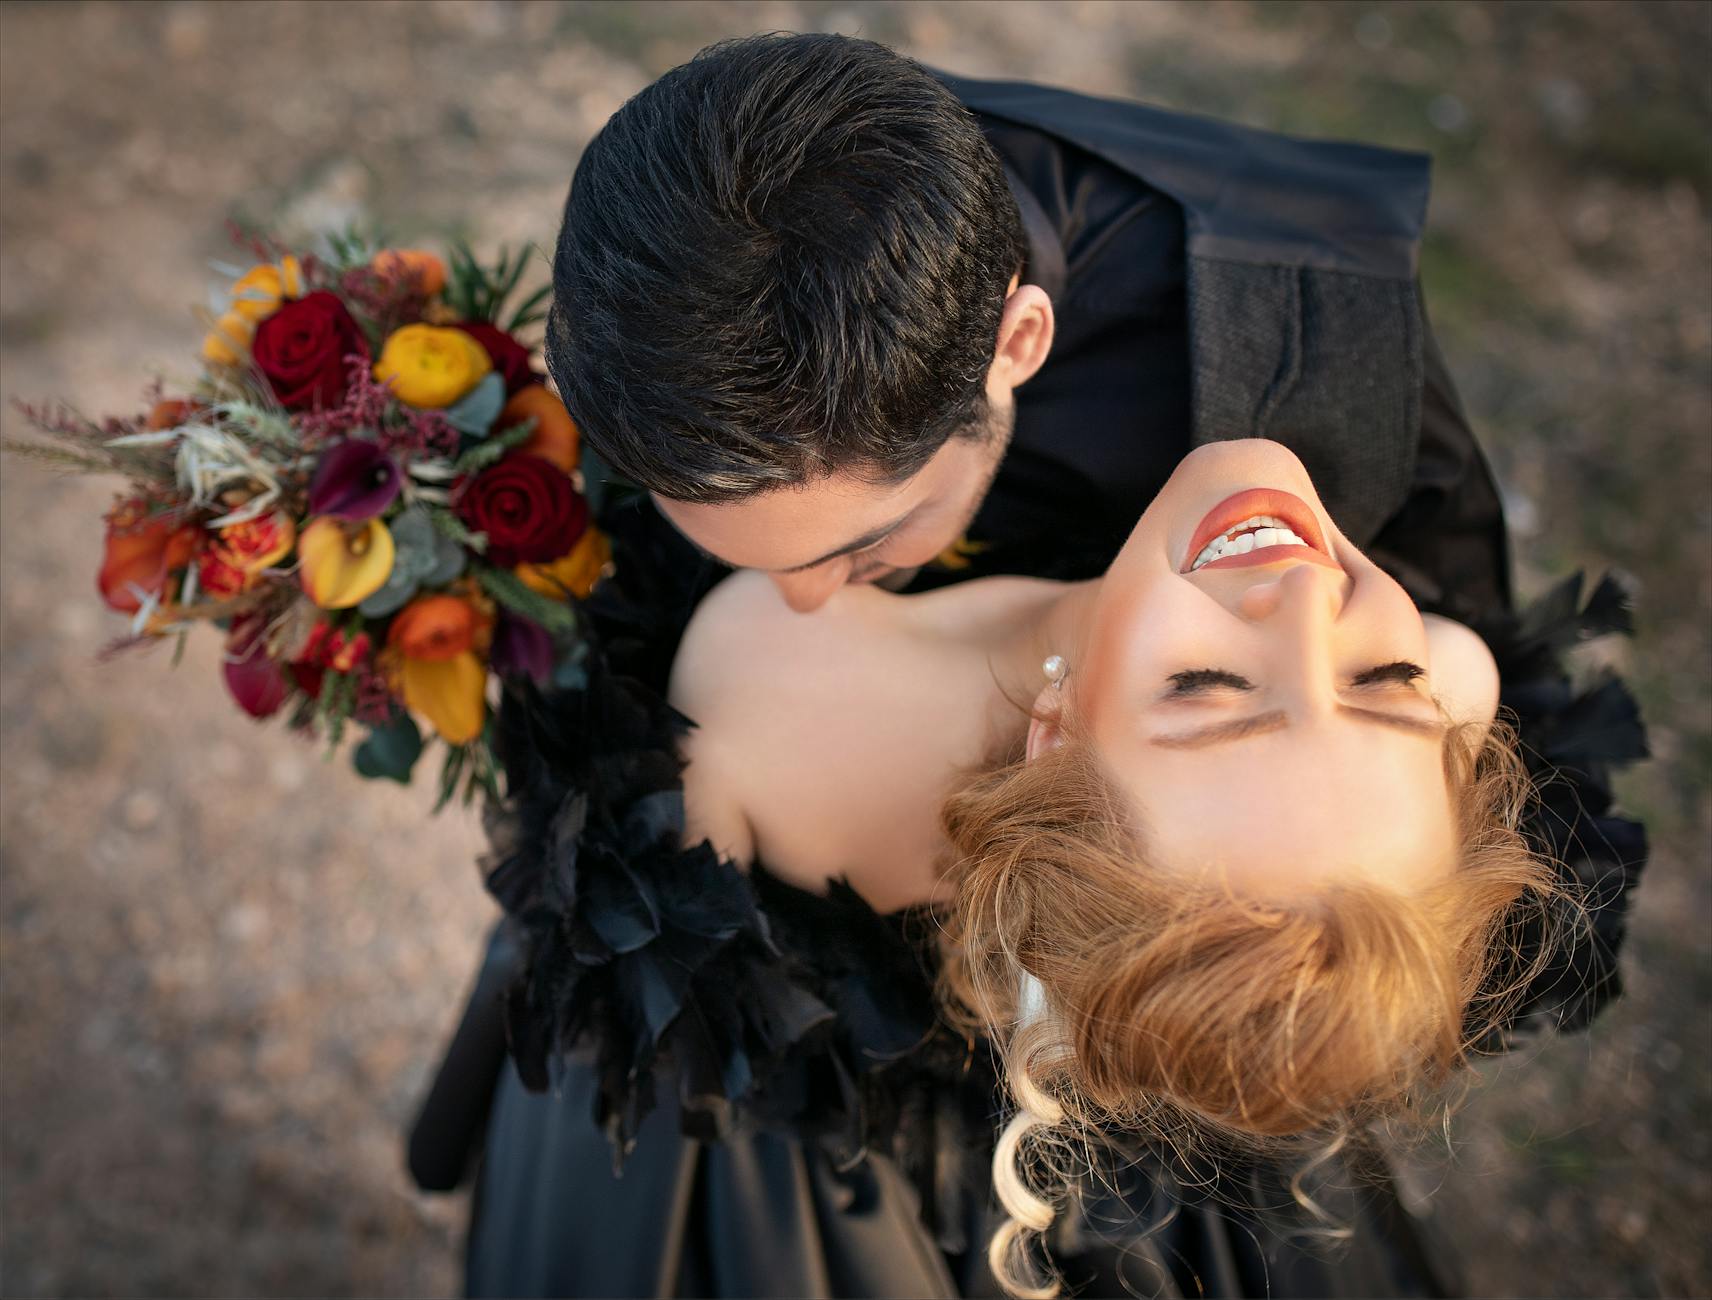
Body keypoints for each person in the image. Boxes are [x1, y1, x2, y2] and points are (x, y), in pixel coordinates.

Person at [408, 33, 1647, 1298]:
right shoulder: (699, 259)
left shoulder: (1310, 341)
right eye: (1381, 686)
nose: (1299, 607)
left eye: (1208, 692)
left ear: (1021, 342)